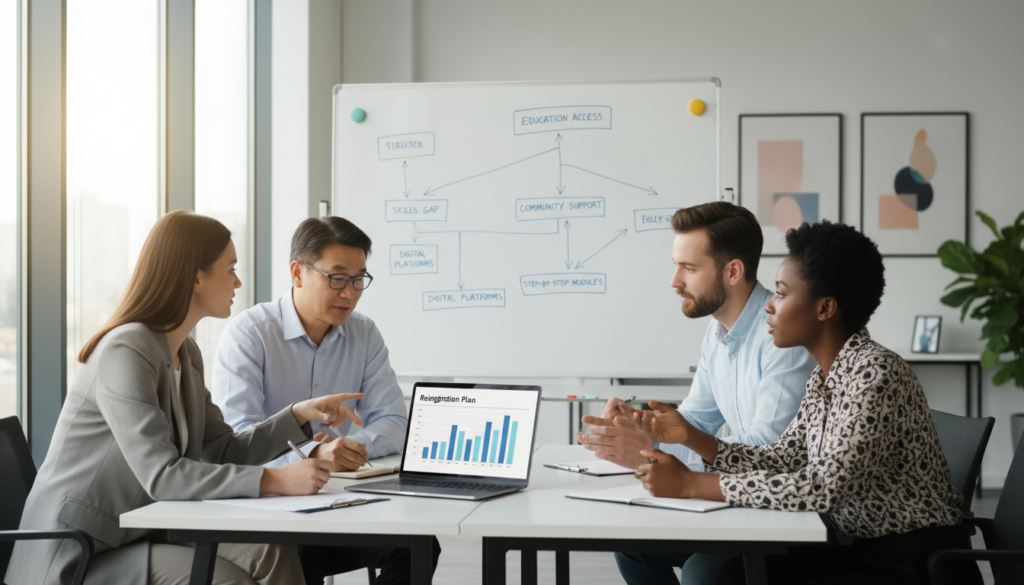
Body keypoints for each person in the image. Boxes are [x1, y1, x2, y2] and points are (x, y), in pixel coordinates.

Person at [5, 210, 362, 585]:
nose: (238, 282)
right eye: (230, 269)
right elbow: (162, 476)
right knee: (228, 579)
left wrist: (298, 415)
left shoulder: (185, 353)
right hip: (82, 550)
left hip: (141, 527)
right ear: (195, 278)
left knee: (273, 551)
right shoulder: (125, 350)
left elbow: (222, 450)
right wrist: (274, 479)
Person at [625, 221, 981, 585]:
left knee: (724, 575)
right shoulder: (825, 378)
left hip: (915, 565)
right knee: (729, 573)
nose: (769, 307)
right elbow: (782, 458)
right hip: (861, 549)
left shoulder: (875, 374)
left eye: (780, 294)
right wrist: (690, 435)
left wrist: (691, 484)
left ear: (824, 308)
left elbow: (822, 487)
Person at [578, 202, 815, 584]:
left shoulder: (782, 337)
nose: (675, 281)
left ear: (733, 271)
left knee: (702, 572)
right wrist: (644, 435)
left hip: (783, 510)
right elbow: (695, 424)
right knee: (632, 545)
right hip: (738, 497)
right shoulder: (717, 332)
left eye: (688, 268)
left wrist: (663, 458)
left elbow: (766, 450)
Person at [211, 216, 437, 585]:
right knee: (301, 559)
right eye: (336, 277)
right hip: (270, 513)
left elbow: (394, 421)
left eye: (359, 278)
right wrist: (311, 456)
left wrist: (349, 448)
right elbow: (238, 439)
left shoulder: (363, 333)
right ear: (297, 273)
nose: (349, 292)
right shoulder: (249, 334)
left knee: (418, 545)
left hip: (336, 502)